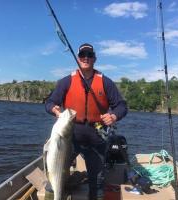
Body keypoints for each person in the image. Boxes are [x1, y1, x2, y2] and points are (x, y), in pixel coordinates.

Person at [45, 43, 128, 200]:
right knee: (53, 179)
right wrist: (54, 109)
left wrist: (114, 116)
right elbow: (49, 103)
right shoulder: (66, 81)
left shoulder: (106, 82)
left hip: (96, 137)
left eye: (89, 55)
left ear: (94, 59)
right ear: (78, 58)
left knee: (96, 182)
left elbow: (121, 106)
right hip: (70, 137)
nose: (86, 58)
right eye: (83, 54)